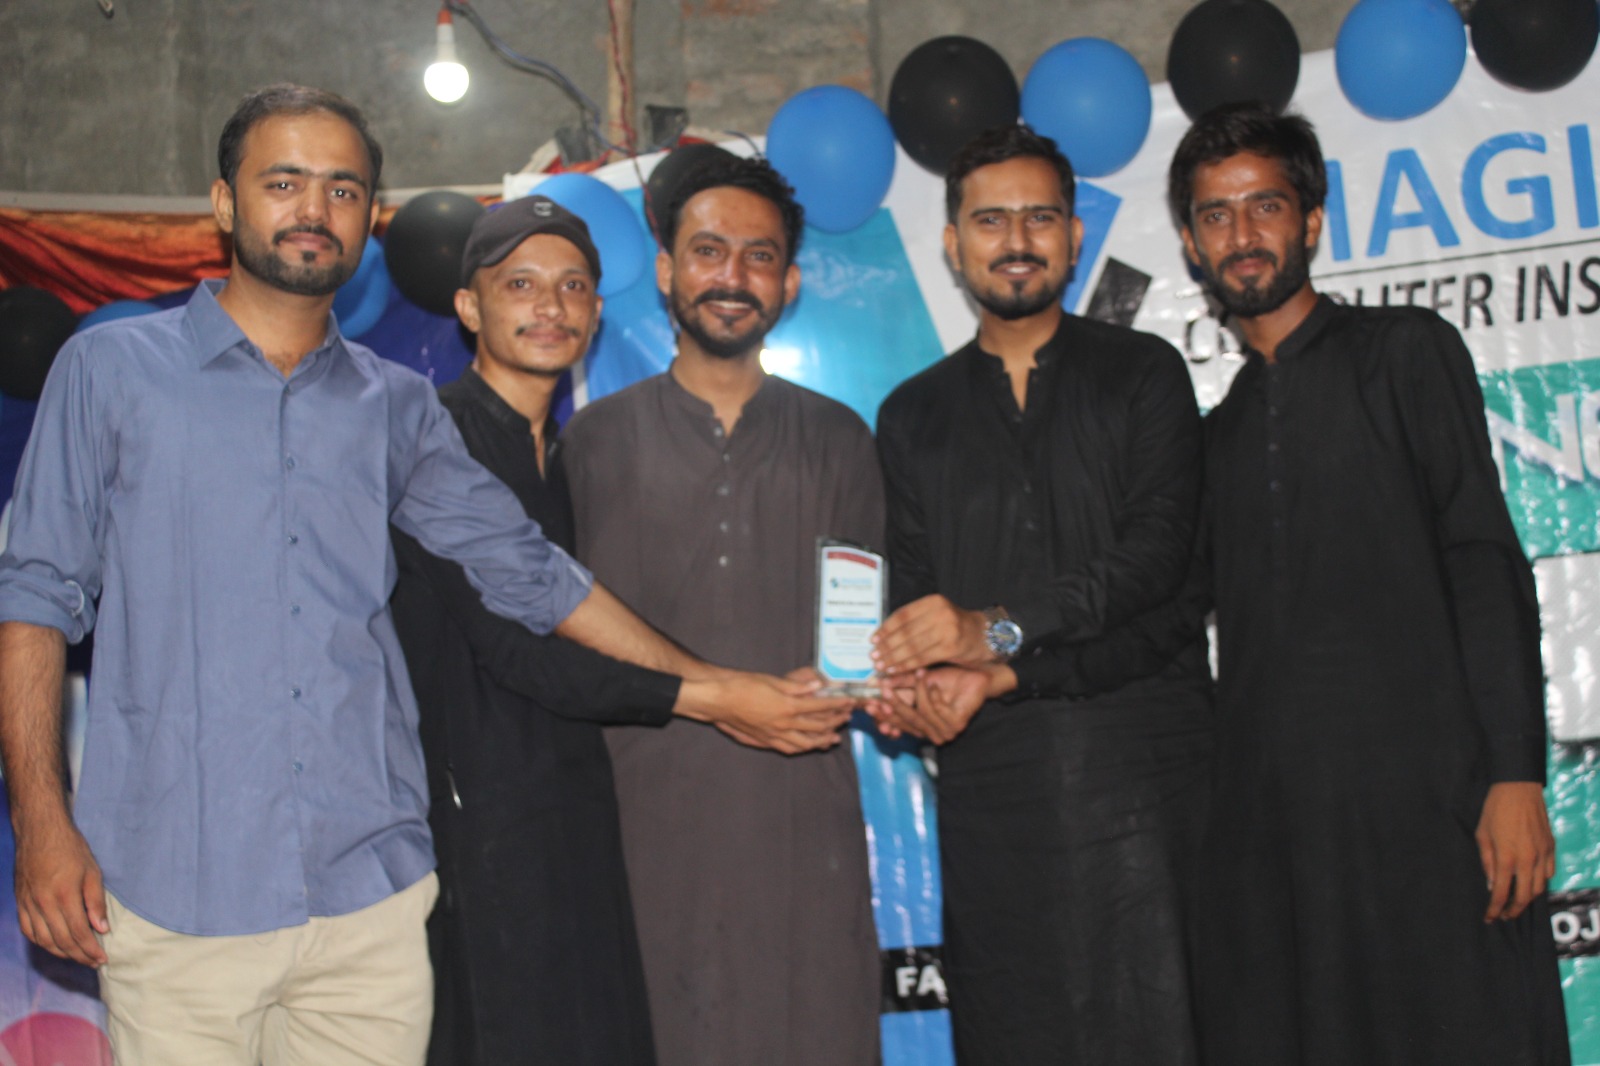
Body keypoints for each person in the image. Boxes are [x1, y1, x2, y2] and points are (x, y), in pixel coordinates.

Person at [0, 85, 847, 1066]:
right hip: (177, 896)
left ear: (370, 216)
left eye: (343, 189)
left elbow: (531, 573)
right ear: (225, 203)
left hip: (370, 904)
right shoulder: (112, 372)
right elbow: (35, 596)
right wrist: (43, 822)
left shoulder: (396, 407)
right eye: (284, 182)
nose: (314, 209)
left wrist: (718, 687)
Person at [389, 196, 849, 1065]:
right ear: (468, 307)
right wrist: (714, 696)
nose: (550, 306)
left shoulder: (568, 457)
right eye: (520, 285)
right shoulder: (436, 443)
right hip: (476, 838)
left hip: (577, 825)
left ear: (598, 313)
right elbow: (523, 652)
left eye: (572, 287)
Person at [1166, 103, 1569, 1064]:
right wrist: (1001, 652)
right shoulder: (1214, 438)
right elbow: (1162, 619)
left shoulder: (1405, 353)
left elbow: (1482, 559)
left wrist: (1515, 774)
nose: (1242, 233)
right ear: (1190, 244)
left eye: (1266, 206)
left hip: (1437, 814)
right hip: (1287, 847)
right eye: (1217, 215)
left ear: (1311, 221)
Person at [868, 123, 1213, 1065]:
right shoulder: (912, 414)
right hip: (997, 787)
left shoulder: (1143, 374)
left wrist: (996, 637)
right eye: (990, 220)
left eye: (1040, 217)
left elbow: (1160, 570)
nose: (1016, 240)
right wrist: (911, 686)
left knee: (1175, 1029)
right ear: (953, 244)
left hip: (1151, 773)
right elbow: (913, 596)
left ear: (1073, 236)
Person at [558, 155, 882, 1066]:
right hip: (640, 833)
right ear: (666, 269)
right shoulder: (593, 444)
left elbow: (862, 648)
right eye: (708, 251)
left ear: (789, 281)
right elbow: (562, 646)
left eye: (758, 255)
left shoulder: (840, 440)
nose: (732, 277)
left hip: (801, 827)